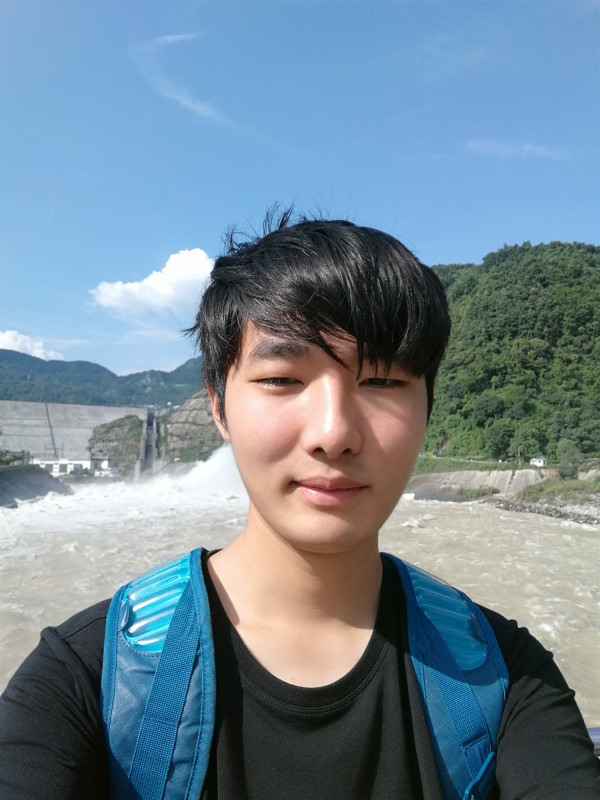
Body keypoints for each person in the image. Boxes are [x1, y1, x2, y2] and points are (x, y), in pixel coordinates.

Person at [0, 211, 597, 799]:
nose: (334, 433)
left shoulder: (502, 675)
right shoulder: (90, 678)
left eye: (382, 381)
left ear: (428, 404)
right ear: (218, 406)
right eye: (283, 380)